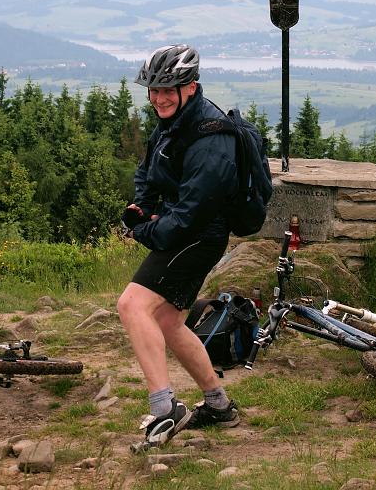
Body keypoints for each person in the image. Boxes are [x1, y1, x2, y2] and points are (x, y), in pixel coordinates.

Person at [117, 44, 240, 449]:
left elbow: (191, 212)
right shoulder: (173, 123)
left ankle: (165, 407)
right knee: (169, 322)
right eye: (153, 90)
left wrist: (146, 232)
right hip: (181, 229)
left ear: (191, 87)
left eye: (168, 88)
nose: (159, 97)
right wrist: (143, 207)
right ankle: (218, 404)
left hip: (198, 236)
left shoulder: (211, 136)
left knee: (132, 305)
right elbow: (149, 171)